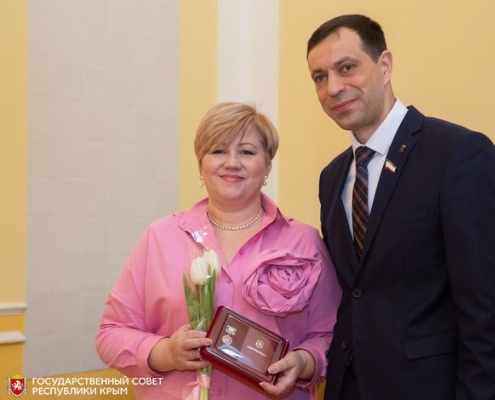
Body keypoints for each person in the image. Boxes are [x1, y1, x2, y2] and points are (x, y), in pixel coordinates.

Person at [306, 14, 495, 400]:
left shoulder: (458, 155)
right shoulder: (332, 177)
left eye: (347, 68)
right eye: (320, 77)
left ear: (385, 65)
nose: (333, 87)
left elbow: (489, 317)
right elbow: (353, 296)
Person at [96, 102, 342, 399]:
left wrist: (304, 361)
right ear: (201, 164)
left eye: (247, 152)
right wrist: (165, 353)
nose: (232, 163)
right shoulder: (159, 239)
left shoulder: (304, 243)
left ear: (267, 165)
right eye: (218, 151)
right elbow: (111, 334)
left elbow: (334, 336)